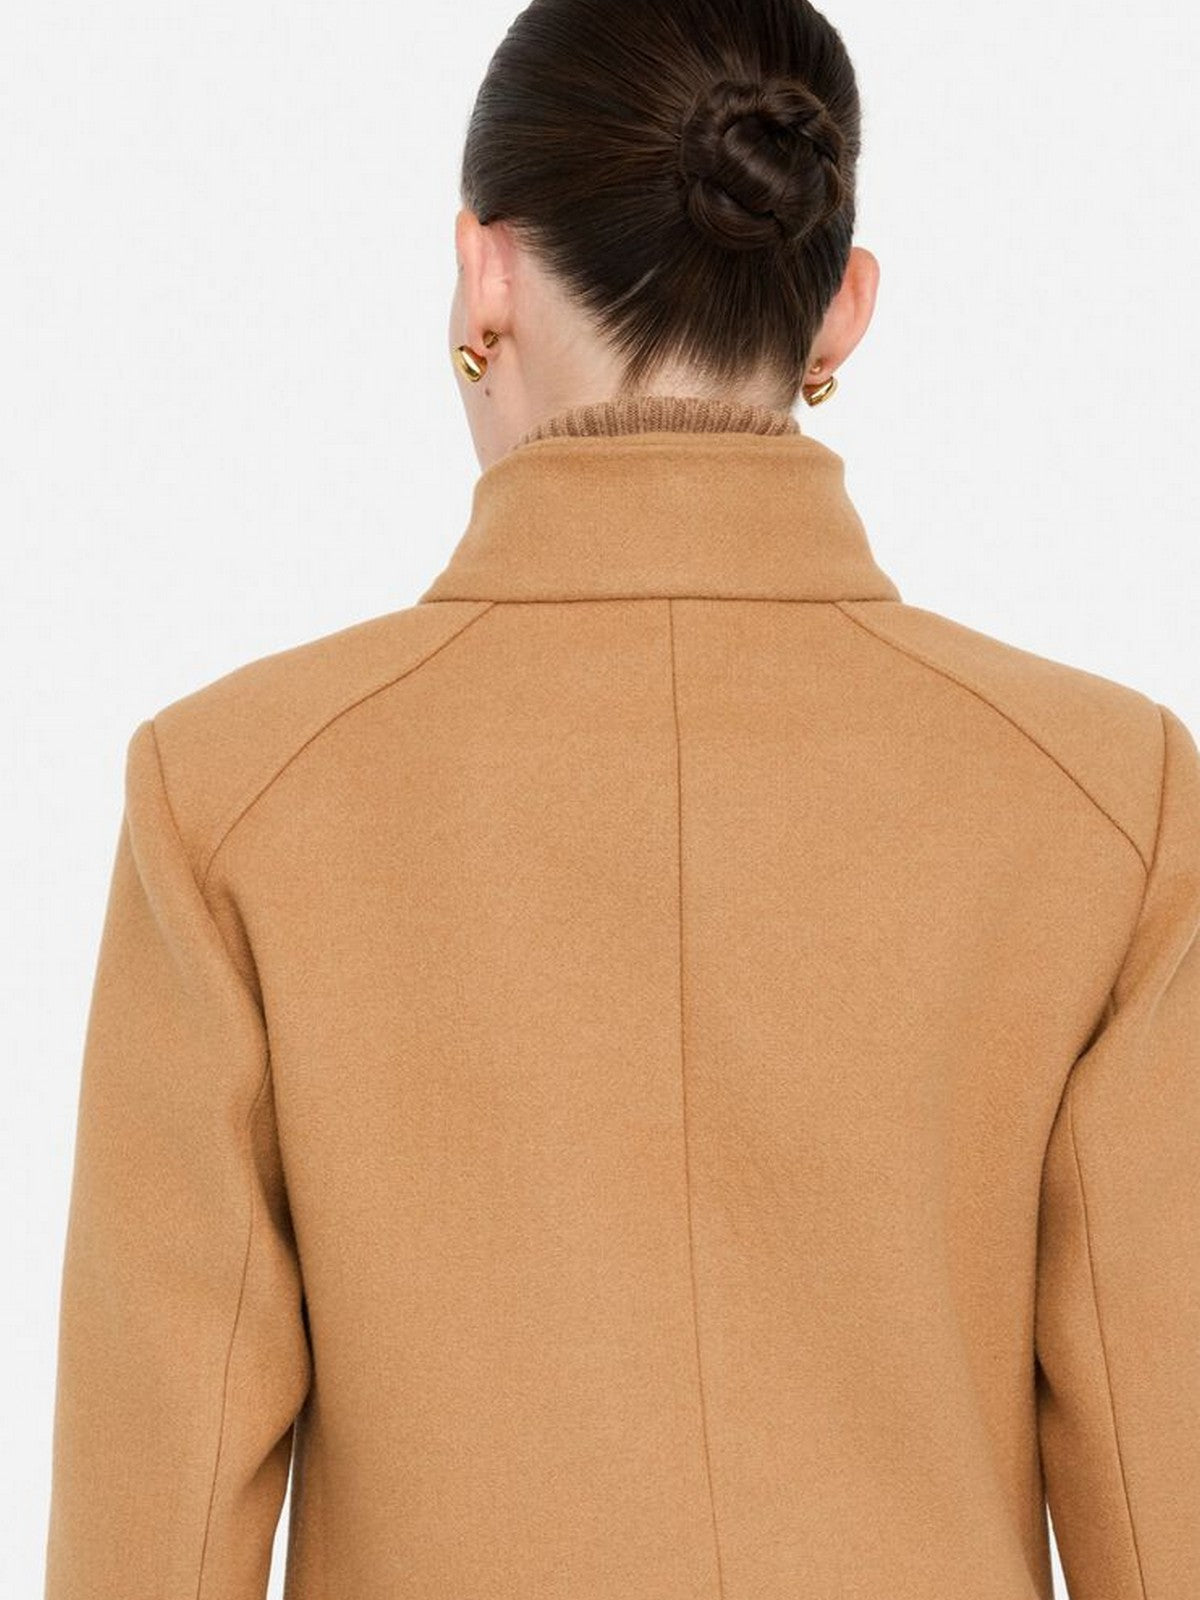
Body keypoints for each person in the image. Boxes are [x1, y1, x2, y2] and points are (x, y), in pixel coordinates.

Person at [44, 0, 1198, 1597]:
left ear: (485, 272)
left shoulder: (231, 794)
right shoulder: (1107, 798)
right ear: (841, 308)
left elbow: (153, 1539)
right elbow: (1169, 1485)